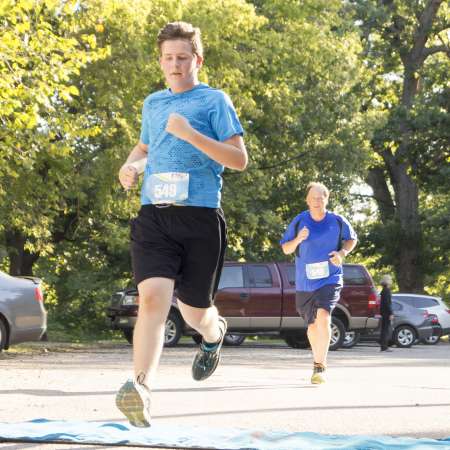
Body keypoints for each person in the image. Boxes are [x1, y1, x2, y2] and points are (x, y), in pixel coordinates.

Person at [116, 21, 247, 427]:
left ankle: (213, 334)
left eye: (182, 58)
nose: (175, 64)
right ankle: (141, 390)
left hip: (200, 217)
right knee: (152, 299)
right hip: (154, 214)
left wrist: (191, 134)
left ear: (197, 60)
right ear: (161, 61)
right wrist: (131, 164)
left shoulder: (214, 101)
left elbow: (238, 159)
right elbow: (146, 146)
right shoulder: (153, 103)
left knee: (194, 312)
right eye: (168, 58)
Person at [280, 182, 357, 384]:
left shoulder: (337, 221)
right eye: (313, 198)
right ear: (307, 200)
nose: (316, 201)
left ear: (326, 199)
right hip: (305, 283)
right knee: (313, 326)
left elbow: (351, 239)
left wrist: (342, 253)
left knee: (324, 316)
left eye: (320, 197)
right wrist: (298, 239)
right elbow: (286, 249)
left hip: (330, 277)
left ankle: (319, 366)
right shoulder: (299, 221)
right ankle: (317, 361)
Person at [379, 275, 394, 352]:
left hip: (383, 312)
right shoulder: (387, 291)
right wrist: (391, 313)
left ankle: (383, 346)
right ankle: (384, 347)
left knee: (384, 329)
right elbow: (388, 303)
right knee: (386, 330)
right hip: (386, 313)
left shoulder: (383, 290)